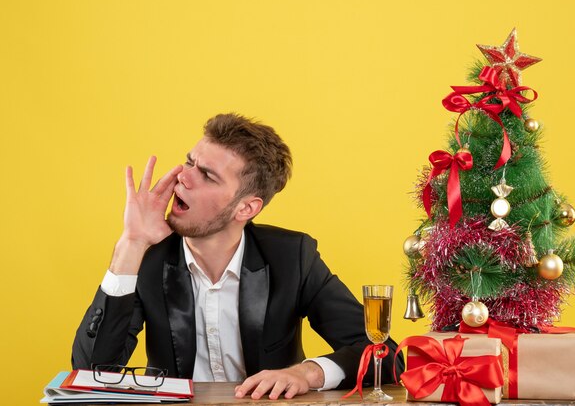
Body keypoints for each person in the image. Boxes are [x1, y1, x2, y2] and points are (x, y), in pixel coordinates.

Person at [72, 113, 403, 399]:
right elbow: (89, 371)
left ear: (246, 207)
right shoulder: (147, 257)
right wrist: (131, 243)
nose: (182, 177)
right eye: (189, 162)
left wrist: (306, 374)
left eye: (207, 175)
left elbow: (386, 353)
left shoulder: (292, 257)